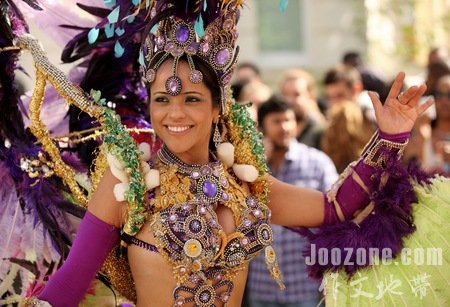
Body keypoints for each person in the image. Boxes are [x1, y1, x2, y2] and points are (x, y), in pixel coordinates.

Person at [11, 1, 443, 307]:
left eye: (192, 100)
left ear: (218, 107)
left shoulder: (246, 184)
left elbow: (334, 209)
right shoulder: (129, 181)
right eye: (162, 99)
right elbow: (70, 284)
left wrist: (390, 136)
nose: (174, 113)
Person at [246, 96, 338, 307]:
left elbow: (335, 212)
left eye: (289, 120)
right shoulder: (250, 168)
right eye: (277, 121)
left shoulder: (317, 162)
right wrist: (259, 163)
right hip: (263, 286)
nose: (285, 127)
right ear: (262, 127)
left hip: (304, 286)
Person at [279, 69, 326, 149]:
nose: (289, 100)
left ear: (311, 96)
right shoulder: (279, 129)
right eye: (285, 94)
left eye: (296, 94)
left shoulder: (321, 130)